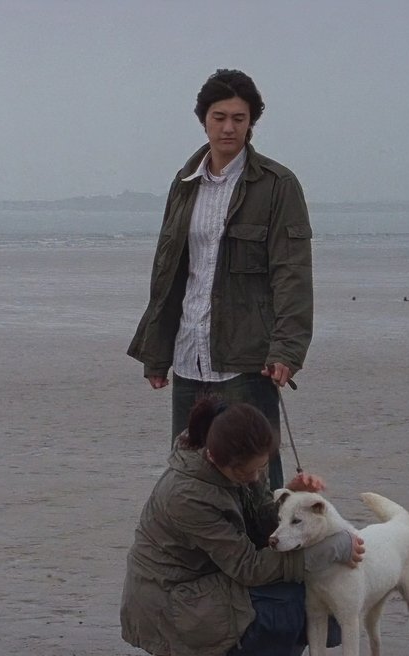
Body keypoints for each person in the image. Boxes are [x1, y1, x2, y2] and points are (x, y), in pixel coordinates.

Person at [127, 68, 314, 491]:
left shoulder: (277, 185)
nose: (228, 127)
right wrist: (157, 351)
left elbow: (293, 273)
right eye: (218, 117)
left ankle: (264, 555)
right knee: (188, 475)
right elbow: (168, 273)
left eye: (239, 118)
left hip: (248, 360)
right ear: (203, 119)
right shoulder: (185, 183)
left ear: (252, 123)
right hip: (189, 354)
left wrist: (287, 347)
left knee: (257, 477)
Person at [120, 398, 361, 656]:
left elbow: (261, 526)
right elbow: (248, 568)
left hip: (202, 584)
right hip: (166, 600)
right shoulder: (188, 496)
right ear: (220, 461)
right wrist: (328, 550)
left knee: (316, 590)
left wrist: (291, 500)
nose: (258, 477)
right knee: (293, 600)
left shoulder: (236, 465)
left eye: (263, 467)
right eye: (251, 472)